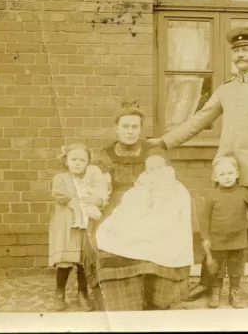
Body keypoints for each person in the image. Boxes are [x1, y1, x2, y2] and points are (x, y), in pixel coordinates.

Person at [148, 26, 248, 307]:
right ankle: (207, 282)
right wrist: (164, 142)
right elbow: (199, 119)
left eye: (246, 50)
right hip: (227, 175)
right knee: (216, 234)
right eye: (236, 51)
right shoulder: (226, 90)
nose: (240, 54)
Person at [81, 102, 192, 311]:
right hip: (113, 204)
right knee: (104, 237)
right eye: (126, 127)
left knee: (155, 235)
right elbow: (95, 185)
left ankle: (154, 296)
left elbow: (164, 180)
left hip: (147, 203)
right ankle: (119, 298)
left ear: (141, 129)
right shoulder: (104, 154)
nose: (130, 132)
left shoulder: (152, 152)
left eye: (135, 127)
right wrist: (96, 199)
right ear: (117, 128)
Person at [49, 143, 108, 311]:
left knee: (83, 261)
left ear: (88, 162)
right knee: (65, 260)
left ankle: (82, 293)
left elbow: (101, 196)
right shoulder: (61, 178)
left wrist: (96, 200)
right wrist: (76, 198)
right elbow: (59, 194)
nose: (77, 163)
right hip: (67, 225)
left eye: (82, 160)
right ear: (66, 161)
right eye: (73, 159)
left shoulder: (92, 179)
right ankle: (59, 293)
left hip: (85, 225)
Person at [200, 154, 248, 309]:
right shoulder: (212, 195)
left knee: (236, 268)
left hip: (238, 239)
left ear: (237, 174)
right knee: (217, 269)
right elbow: (205, 218)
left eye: (230, 173)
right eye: (222, 174)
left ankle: (234, 294)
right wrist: (205, 237)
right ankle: (215, 293)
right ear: (215, 177)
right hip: (217, 241)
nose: (227, 177)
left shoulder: (244, 192)